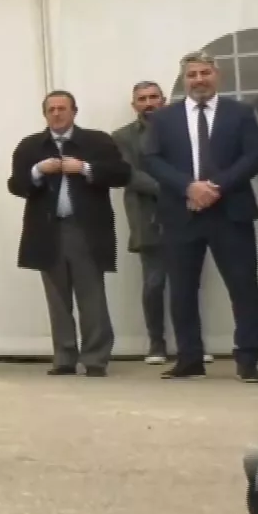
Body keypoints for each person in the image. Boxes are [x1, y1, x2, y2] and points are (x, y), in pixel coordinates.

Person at [138, 52, 258, 382]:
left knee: (244, 287)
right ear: (184, 80)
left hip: (231, 211)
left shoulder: (240, 113)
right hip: (182, 212)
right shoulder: (164, 118)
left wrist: (216, 186)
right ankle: (189, 358)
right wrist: (189, 187)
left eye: (204, 73)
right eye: (192, 74)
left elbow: (254, 156)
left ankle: (248, 358)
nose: (199, 80)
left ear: (216, 75)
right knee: (181, 289)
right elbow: (151, 159)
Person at [5, 91, 131, 376]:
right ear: (45, 114)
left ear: (74, 111)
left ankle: (96, 359)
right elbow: (15, 185)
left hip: (85, 229)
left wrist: (85, 168)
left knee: (92, 296)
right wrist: (37, 170)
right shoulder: (31, 146)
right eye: (51, 109)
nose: (57, 114)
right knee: (57, 298)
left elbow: (122, 174)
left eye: (63, 108)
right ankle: (64, 357)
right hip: (47, 230)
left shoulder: (97, 141)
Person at [113, 81, 172, 363]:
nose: (148, 103)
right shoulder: (122, 136)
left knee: (188, 282)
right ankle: (156, 344)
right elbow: (129, 174)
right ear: (134, 104)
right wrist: (175, 188)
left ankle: (190, 343)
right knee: (154, 283)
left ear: (164, 100)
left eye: (153, 97)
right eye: (142, 99)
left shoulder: (182, 129)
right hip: (147, 216)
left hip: (188, 213)